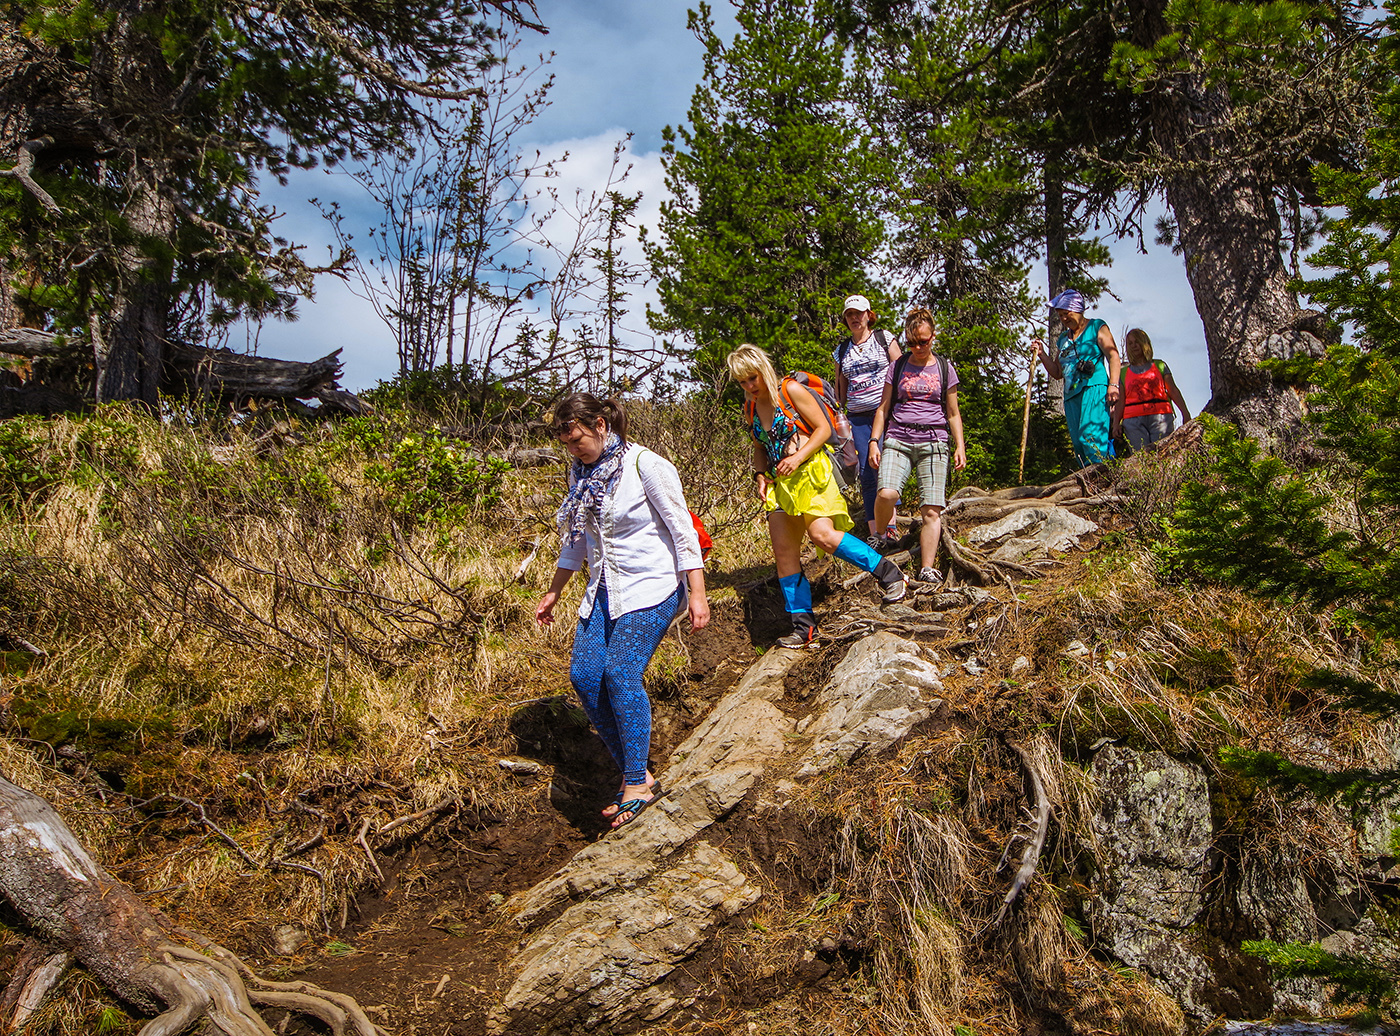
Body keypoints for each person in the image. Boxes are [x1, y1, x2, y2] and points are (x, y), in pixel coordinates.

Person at [534, 393, 710, 829]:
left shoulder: (645, 465)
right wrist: (555, 592)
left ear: (599, 424)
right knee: (585, 676)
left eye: (576, 438)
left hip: (653, 586)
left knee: (621, 673)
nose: (572, 448)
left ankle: (636, 784)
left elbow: (683, 531)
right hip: (606, 589)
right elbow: (576, 540)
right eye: (566, 442)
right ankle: (638, 770)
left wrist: (698, 593)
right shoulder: (582, 475)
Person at [726, 343, 907, 649]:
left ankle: (887, 572)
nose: (749, 386)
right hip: (780, 486)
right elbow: (758, 446)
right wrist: (759, 475)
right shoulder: (751, 408)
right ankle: (803, 626)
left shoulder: (791, 390)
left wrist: (798, 457)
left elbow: (823, 429)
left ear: (763, 369)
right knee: (784, 554)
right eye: (742, 382)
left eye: (752, 378)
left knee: (823, 536)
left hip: (812, 472)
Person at [868, 307, 967, 585]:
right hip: (898, 438)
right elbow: (883, 408)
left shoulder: (945, 368)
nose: (918, 347)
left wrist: (960, 445)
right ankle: (880, 536)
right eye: (912, 343)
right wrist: (874, 441)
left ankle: (927, 566)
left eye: (923, 341)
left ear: (934, 336)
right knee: (887, 493)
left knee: (931, 510)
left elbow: (953, 412)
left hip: (934, 441)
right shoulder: (897, 367)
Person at [832, 293, 902, 545]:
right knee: (866, 472)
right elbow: (840, 385)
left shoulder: (884, 339)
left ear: (868, 315)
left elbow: (902, 370)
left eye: (858, 313)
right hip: (858, 417)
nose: (854, 318)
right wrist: (840, 416)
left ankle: (891, 527)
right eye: (849, 314)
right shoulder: (841, 350)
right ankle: (876, 533)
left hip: (887, 412)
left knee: (887, 466)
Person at [1033, 289, 1121, 468]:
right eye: (1060, 315)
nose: (1064, 319)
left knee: (1091, 435)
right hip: (1071, 395)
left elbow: (1113, 356)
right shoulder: (1063, 340)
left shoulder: (1097, 327)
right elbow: (1058, 372)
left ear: (1078, 310)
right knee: (1079, 444)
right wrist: (1042, 354)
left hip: (1094, 387)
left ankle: (1103, 476)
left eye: (1067, 314)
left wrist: (1113, 384)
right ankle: (1089, 480)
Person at [1112, 328, 1191, 451]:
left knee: (1163, 454)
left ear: (1144, 343)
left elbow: (1173, 390)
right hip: (1133, 421)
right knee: (1140, 458)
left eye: (1137, 342)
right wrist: (1116, 424)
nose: (1134, 346)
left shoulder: (1160, 366)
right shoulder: (1123, 372)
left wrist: (1185, 413)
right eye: (1130, 343)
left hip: (1160, 416)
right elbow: (1121, 401)